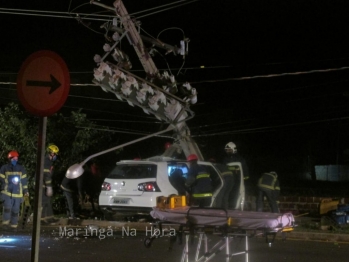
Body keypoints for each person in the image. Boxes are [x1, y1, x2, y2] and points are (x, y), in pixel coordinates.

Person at [0, 150, 29, 230]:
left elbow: (24, 181)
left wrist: (26, 191)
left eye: (16, 158)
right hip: (7, 192)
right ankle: (5, 224)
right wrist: (10, 182)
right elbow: (1, 179)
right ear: (10, 159)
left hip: (18, 193)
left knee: (16, 210)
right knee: (7, 209)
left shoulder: (21, 169)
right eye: (14, 158)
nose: (15, 160)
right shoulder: (4, 168)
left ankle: (14, 226)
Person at [223, 142, 249, 209]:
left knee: (235, 194)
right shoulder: (226, 159)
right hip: (228, 180)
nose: (227, 151)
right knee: (228, 193)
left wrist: (244, 179)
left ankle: (233, 206)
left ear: (233, 149)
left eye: (229, 150)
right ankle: (227, 206)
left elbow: (244, 169)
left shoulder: (240, 159)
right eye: (227, 150)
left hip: (237, 180)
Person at [41, 144, 60, 225]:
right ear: (51, 153)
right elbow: (46, 175)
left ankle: (49, 218)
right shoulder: (46, 161)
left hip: (45, 184)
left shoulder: (49, 161)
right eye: (55, 154)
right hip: (42, 185)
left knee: (48, 201)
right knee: (43, 202)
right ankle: (41, 219)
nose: (55, 156)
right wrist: (48, 186)